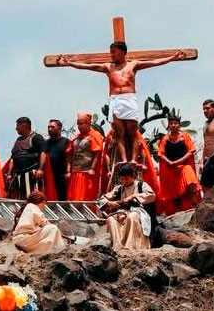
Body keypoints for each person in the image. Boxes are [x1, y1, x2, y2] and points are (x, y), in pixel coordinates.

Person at [57, 46, 185, 168]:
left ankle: (134, 159)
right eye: (111, 52)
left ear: (123, 52)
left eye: (114, 52)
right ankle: (124, 159)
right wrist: (69, 63)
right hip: (115, 99)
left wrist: (172, 57)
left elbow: (154, 62)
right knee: (119, 133)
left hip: (129, 98)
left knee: (132, 132)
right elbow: (88, 66)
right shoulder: (108, 67)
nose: (112, 55)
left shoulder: (133, 65)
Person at [99, 164, 157, 251]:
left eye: (127, 179)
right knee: (111, 219)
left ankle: (132, 245)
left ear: (133, 177)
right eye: (122, 179)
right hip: (123, 212)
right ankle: (117, 244)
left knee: (132, 216)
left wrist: (133, 196)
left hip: (139, 212)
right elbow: (102, 199)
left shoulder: (142, 185)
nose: (124, 181)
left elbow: (152, 196)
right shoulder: (119, 188)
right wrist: (109, 203)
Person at [157, 112, 201, 215]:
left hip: (184, 166)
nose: (173, 125)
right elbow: (160, 154)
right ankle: (178, 211)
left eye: (175, 123)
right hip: (170, 168)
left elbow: (191, 151)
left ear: (179, 125)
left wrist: (177, 162)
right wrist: (171, 163)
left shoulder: (185, 136)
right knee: (173, 190)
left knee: (191, 183)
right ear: (168, 125)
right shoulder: (165, 139)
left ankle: (196, 207)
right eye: (171, 123)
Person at [3, 117, 55, 200]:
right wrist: (9, 173)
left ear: (24, 126)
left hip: (32, 175)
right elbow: (13, 157)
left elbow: (43, 152)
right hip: (18, 175)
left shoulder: (36, 137)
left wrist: (41, 169)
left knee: (33, 199)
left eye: (18, 126)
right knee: (19, 199)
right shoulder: (18, 140)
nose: (16, 128)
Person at [65, 113, 104, 201]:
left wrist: (93, 168)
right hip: (75, 173)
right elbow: (69, 154)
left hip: (87, 173)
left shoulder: (95, 135)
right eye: (78, 124)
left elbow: (97, 153)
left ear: (88, 123)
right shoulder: (76, 137)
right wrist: (68, 170)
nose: (79, 126)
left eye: (81, 123)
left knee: (85, 197)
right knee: (73, 198)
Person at [46, 120, 71, 200]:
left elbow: (70, 158)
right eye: (48, 127)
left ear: (59, 128)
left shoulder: (66, 142)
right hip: (49, 177)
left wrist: (68, 172)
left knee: (62, 200)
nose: (50, 129)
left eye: (52, 127)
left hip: (62, 177)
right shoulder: (45, 143)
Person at [201, 99, 214, 193]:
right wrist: (202, 161)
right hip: (207, 159)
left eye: (207, 108)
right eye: (204, 109)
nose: (205, 111)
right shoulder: (206, 124)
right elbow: (205, 144)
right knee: (205, 185)